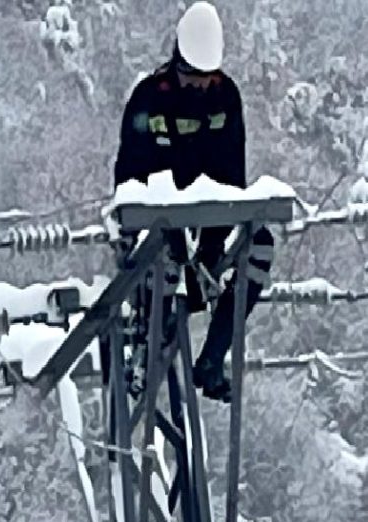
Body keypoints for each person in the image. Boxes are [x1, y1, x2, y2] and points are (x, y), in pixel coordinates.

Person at [113, 1, 274, 402]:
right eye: (194, 78)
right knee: (164, 270)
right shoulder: (149, 100)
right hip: (158, 231)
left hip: (209, 227)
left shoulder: (226, 98)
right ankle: (152, 345)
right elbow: (129, 176)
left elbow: (232, 180)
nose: (202, 86)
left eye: (209, 77)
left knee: (260, 246)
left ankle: (213, 355)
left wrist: (212, 245)